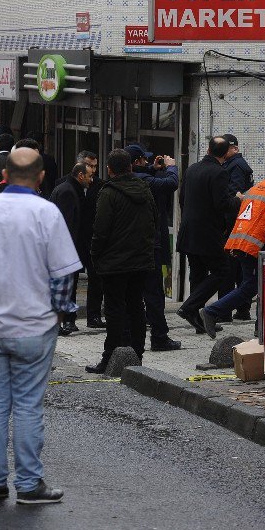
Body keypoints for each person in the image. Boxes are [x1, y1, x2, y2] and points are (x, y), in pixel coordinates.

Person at [0, 147, 80, 504]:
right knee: (28, 405)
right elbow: (64, 273)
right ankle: (29, 484)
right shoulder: (47, 212)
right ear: (41, 176)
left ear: (4, 175)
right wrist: (60, 311)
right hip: (34, 324)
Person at [85, 150, 158, 373]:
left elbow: (101, 229)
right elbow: (153, 221)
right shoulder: (145, 190)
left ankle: (111, 357)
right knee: (136, 306)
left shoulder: (108, 193)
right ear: (131, 168)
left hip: (114, 263)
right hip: (140, 260)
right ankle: (137, 353)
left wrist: (95, 255)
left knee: (115, 310)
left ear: (109, 169)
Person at [200, 153, 265, 337]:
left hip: (242, 243)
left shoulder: (257, 188)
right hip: (257, 248)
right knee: (252, 287)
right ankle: (211, 312)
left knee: (259, 286)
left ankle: (260, 327)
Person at [176, 137, 240, 334]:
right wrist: (237, 200)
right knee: (222, 270)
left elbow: (182, 198)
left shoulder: (192, 169)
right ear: (225, 153)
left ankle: (196, 319)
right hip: (207, 233)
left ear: (208, 149)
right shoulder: (219, 173)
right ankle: (189, 307)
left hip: (189, 230)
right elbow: (221, 204)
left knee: (197, 273)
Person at [127, 144, 182, 352]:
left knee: (133, 294)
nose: (147, 163)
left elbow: (147, 175)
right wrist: (171, 167)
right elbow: (171, 183)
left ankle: (132, 338)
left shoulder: (126, 180)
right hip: (149, 246)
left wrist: (154, 168)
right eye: (144, 160)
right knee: (154, 294)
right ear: (135, 163)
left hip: (131, 246)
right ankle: (159, 336)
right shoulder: (144, 182)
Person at [50, 162, 93, 336]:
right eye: (89, 175)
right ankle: (63, 321)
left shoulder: (66, 188)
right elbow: (67, 224)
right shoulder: (68, 191)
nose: (92, 179)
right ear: (80, 175)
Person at [221, 134, 255, 321]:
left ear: (233, 148)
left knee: (233, 269)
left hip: (235, 225)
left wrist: (228, 227)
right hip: (238, 225)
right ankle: (242, 309)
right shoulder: (234, 164)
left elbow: (237, 197)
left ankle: (236, 309)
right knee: (239, 269)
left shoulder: (236, 167)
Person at [76, 150, 105, 329]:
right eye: (89, 165)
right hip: (75, 238)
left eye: (95, 166)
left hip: (94, 238)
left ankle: (94, 316)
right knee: (70, 279)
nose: (92, 170)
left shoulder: (101, 185)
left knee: (96, 277)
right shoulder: (67, 184)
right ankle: (68, 319)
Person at [26, 130, 59, 198]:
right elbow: (54, 179)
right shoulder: (48, 159)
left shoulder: (22, 158)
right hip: (46, 196)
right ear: (40, 144)